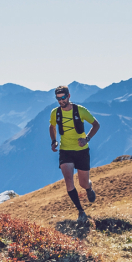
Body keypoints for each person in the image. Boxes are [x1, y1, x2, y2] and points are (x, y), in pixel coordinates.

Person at [49, 85, 100, 224]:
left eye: (63, 98)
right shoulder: (55, 113)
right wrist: (54, 141)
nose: (61, 101)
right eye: (58, 99)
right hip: (65, 151)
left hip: (82, 151)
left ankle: (89, 188)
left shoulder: (80, 110)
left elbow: (96, 125)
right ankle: (81, 211)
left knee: (83, 183)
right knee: (69, 181)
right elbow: (52, 126)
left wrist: (87, 139)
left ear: (69, 96)